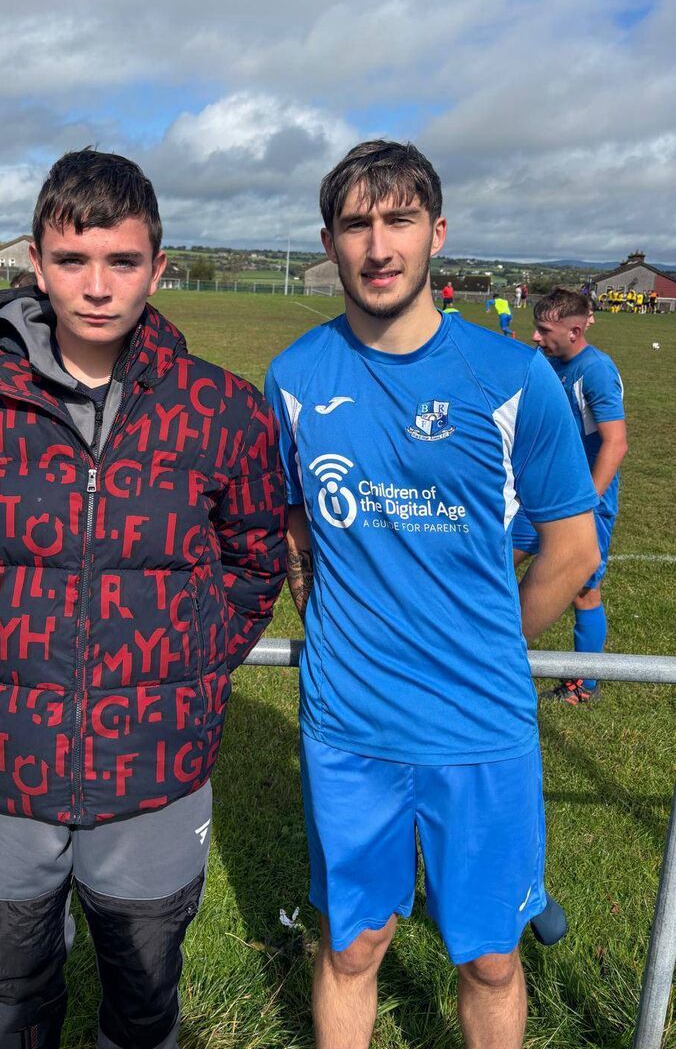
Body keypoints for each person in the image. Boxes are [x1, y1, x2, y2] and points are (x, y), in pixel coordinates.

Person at [0, 148, 286, 1049]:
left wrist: (185, 661)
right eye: (73, 261)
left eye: (121, 261)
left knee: (144, 1002)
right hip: (8, 762)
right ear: (37, 262)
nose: (98, 286)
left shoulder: (222, 411)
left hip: (156, 768)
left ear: (158, 264)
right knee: (11, 990)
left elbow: (255, 559)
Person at [264, 140, 600, 1049]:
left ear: (436, 233)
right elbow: (296, 537)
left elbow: (571, 550)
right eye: (357, 224)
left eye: (399, 220)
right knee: (353, 946)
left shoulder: (513, 379)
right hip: (350, 732)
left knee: (490, 955)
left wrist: (490, 639)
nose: (379, 245)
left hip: (479, 727)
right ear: (330, 242)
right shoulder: (294, 379)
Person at [510, 288, 627, 704]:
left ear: (575, 331)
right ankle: (490, 656)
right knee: (499, 561)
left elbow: (616, 443)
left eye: (545, 330)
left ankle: (584, 683)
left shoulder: (594, 371)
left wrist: (587, 501)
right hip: (539, 492)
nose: (537, 337)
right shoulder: (551, 363)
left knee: (583, 590)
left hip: (581, 500)